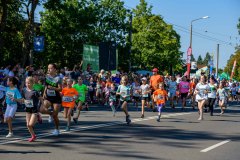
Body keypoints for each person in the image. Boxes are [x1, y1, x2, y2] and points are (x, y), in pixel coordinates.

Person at [40, 63, 62, 136]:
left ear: (55, 69)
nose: (48, 70)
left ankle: (57, 129)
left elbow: (60, 88)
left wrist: (53, 88)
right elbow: (46, 87)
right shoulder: (47, 77)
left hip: (56, 98)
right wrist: (43, 95)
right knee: (42, 110)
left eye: (50, 68)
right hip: (48, 97)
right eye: (48, 68)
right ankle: (50, 114)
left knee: (55, 115)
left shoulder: (58, 78)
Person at [21, 77, 42, 142]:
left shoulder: (35, 92)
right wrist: (17, 100)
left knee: (30, 124)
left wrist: (42, 106)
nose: (27, 84)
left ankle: (38, 116)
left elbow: (41, 99)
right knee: (28, 125)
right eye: (26, 83)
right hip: (28, 109)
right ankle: (33, 136)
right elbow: (23, 99)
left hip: (34, 110)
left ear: (32, 83)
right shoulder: (24, 90)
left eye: (29, 83)